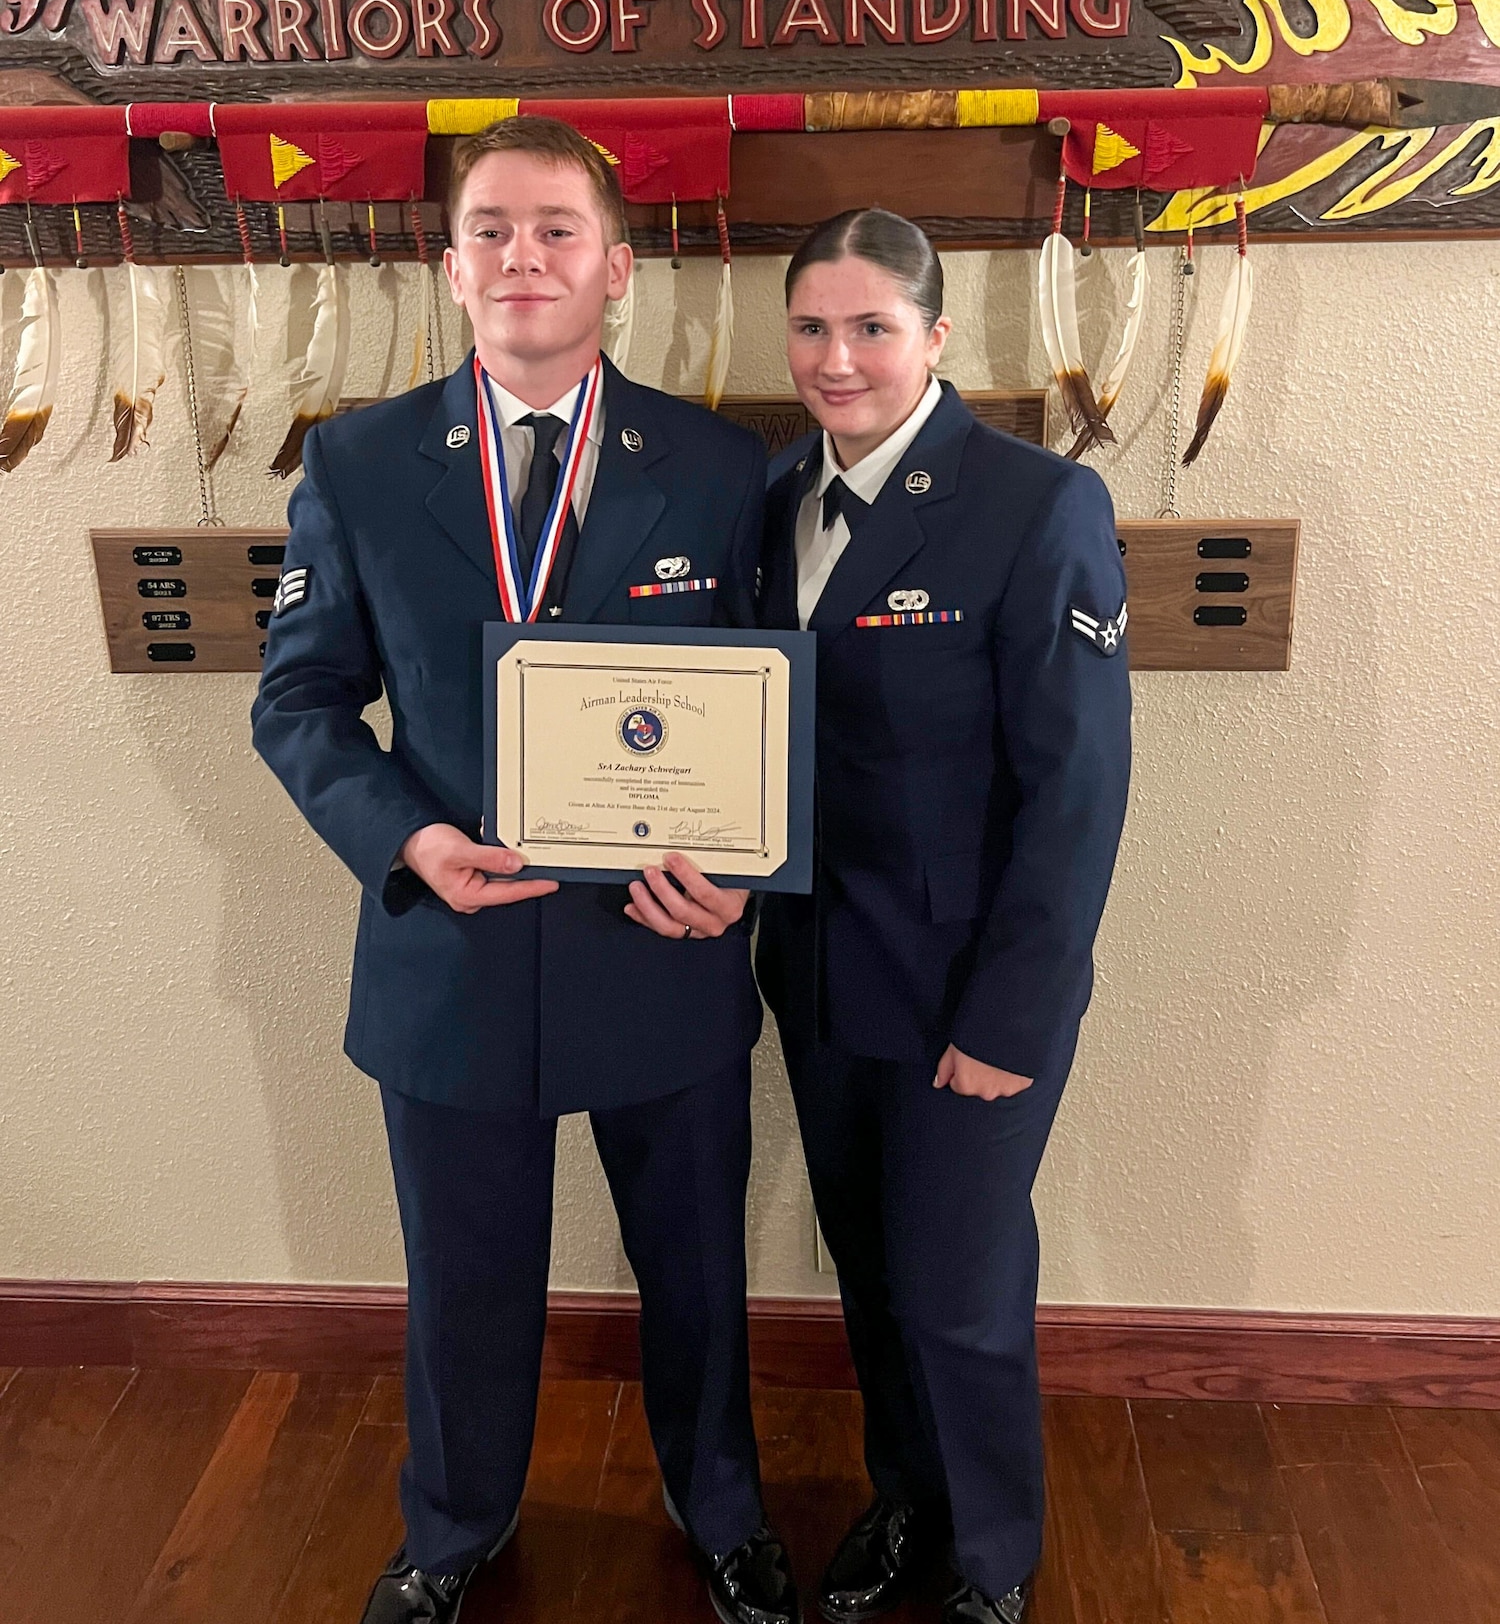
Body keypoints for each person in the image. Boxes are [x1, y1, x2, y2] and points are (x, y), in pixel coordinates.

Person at [252, 116, 800, 1624]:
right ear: (449, 266)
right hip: (452, 950)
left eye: (557, 228)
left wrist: (749, 870)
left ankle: (725, 1511)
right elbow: (296, 701)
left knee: (694, 1267)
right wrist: (405, 839)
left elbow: (780, 700)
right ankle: (453, 1529)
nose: (523, 255)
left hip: (661, 940)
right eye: (490, 228)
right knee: (464, 1278)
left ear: (618, 269)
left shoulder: (714, 464)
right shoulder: (357, 464)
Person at [756, 209, 1132, 1624]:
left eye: (869, 327)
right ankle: (908, 1501)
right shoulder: (776, 492)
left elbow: (1077, 791)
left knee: (960, 1286)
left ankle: (993, 1562)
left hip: (970, 987)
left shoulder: (1037, 505)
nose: (836, 357)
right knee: (867, 1267)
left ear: (934, 337)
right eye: (811, 327)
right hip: (818, 971)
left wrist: (1014, 1012)